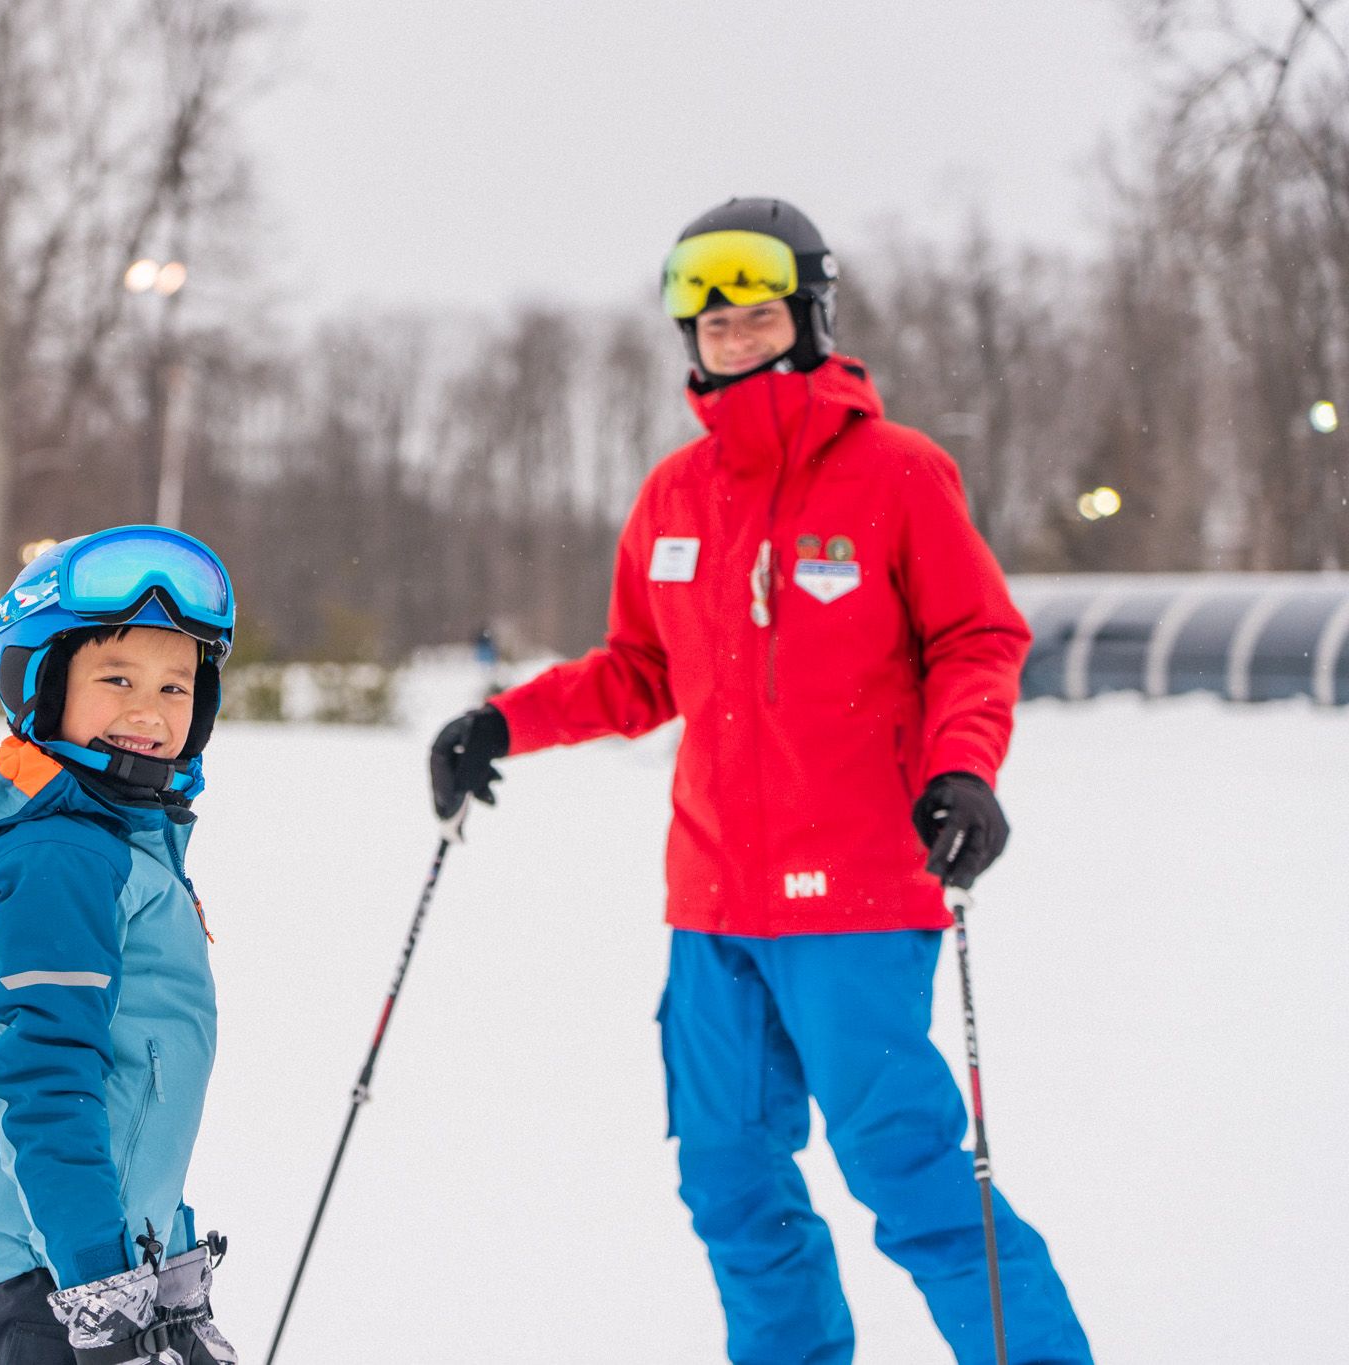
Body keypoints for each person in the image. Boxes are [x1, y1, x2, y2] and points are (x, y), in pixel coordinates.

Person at [429, 198, 1093, 1364]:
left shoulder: (896, 474)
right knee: (729, 1184)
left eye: (757, 309)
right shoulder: (674, 495)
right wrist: (501, 722)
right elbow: (639, 671)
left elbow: (976, 639)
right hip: (712, 908)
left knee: (914, 1183)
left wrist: (961, 771)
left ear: (808, 316)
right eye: (710, 317)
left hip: (854, 899)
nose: (732, 331)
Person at [0, 525, 241, 1365]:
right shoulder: (65, 857)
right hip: (49, 1278)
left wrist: (163, 1258)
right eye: (116, 677)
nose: (147, 711)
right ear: (44, 687)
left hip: (93, 1256)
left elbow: (135, 1075)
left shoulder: (116, 839)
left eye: (174, 685)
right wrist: (103, 1293)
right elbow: (48, 1078)